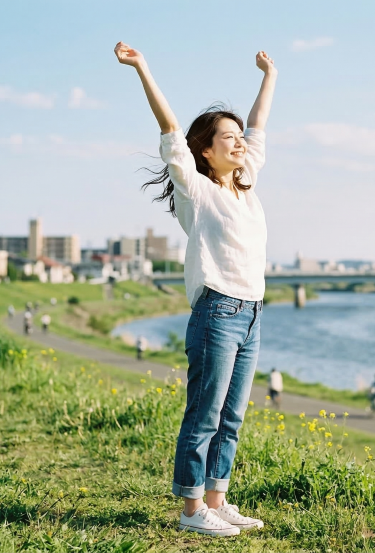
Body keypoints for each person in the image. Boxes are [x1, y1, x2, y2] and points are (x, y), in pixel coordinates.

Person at [115, 40, 276, 537]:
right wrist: (143, 66)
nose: (238, 142)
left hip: (251, 313)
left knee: (232, 417)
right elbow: (168, 129)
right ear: (204, 151)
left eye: (237, 137)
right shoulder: (199, 191)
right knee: (204, 415)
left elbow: (258, 127)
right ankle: (190, 512)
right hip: (218, 313)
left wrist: (269, 76)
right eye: (225, 138)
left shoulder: (245, 182)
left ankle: (216, 499)